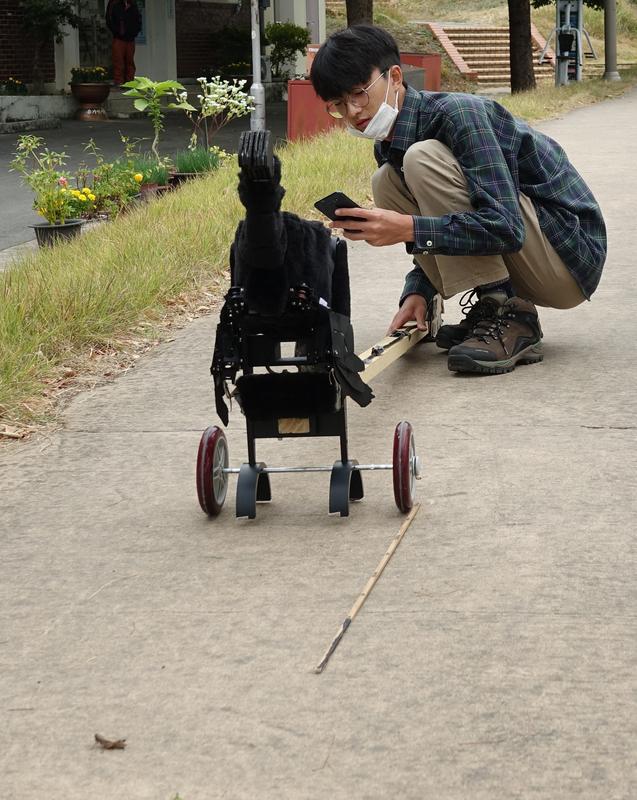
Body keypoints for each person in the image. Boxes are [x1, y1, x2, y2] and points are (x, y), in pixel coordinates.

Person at [310, 25, 607, 375]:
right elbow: (444, 222)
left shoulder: (458, 115)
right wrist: (418, 293)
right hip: (532, 251)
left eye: (359, 93)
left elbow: (506, 228)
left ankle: (510, 313)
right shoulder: (389, 145)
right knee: (386, 180)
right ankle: (493, 303)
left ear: (394, 77)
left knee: (421, 159)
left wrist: (409, 229)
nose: (353, 112)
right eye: (338, 105)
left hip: (568, 257)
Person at [105, 0, 142, 86]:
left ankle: (130, 82)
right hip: (119, 38)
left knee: (130, 61)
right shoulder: (114, 3)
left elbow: (138, 19)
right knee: (118, 61)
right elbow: (109, 19)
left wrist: (134, 32)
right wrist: (116, 31)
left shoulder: (133, 4)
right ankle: (119, 82)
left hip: (130, 38)